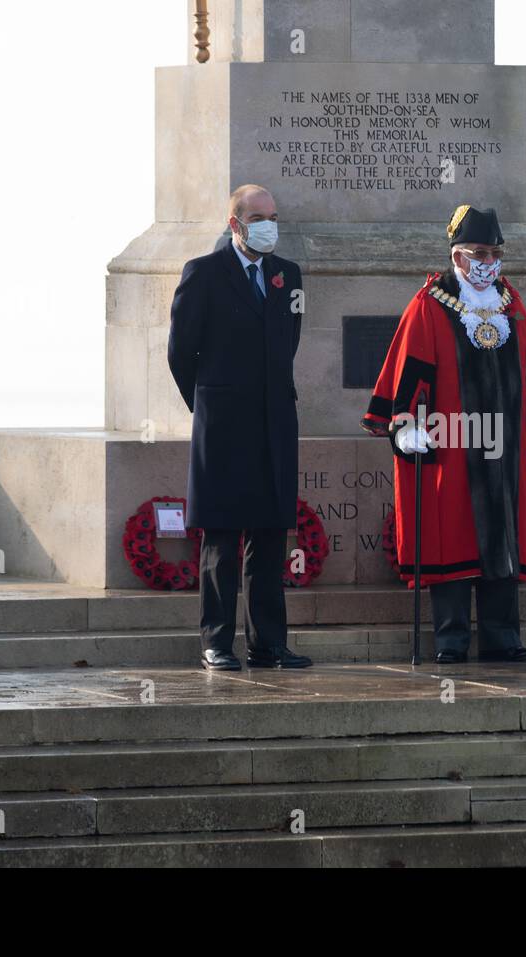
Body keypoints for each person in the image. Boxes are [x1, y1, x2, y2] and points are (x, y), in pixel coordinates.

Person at [360, 205, 526, 665]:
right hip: (451, 447)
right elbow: (411, 369)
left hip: (505, 449)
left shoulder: (513, 304)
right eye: (478, 253)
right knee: (451, 541)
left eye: (494, 252)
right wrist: (405, 425)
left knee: (502, 543)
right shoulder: (429, 305)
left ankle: (502, 639)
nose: (487, 261)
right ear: (456, 255)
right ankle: (450, 640)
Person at [167, 184, 311, 671]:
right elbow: (181, 352)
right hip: (224, 427)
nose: (269, 224)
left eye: (273, 215)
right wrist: (209, 402)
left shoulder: (287, 276)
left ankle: (268, 643)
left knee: (269, 539)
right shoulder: (204, 273)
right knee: (222, 539)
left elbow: (287, 343)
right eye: (258, 216)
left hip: (274, 424)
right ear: (235, 223)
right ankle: (217, 642)